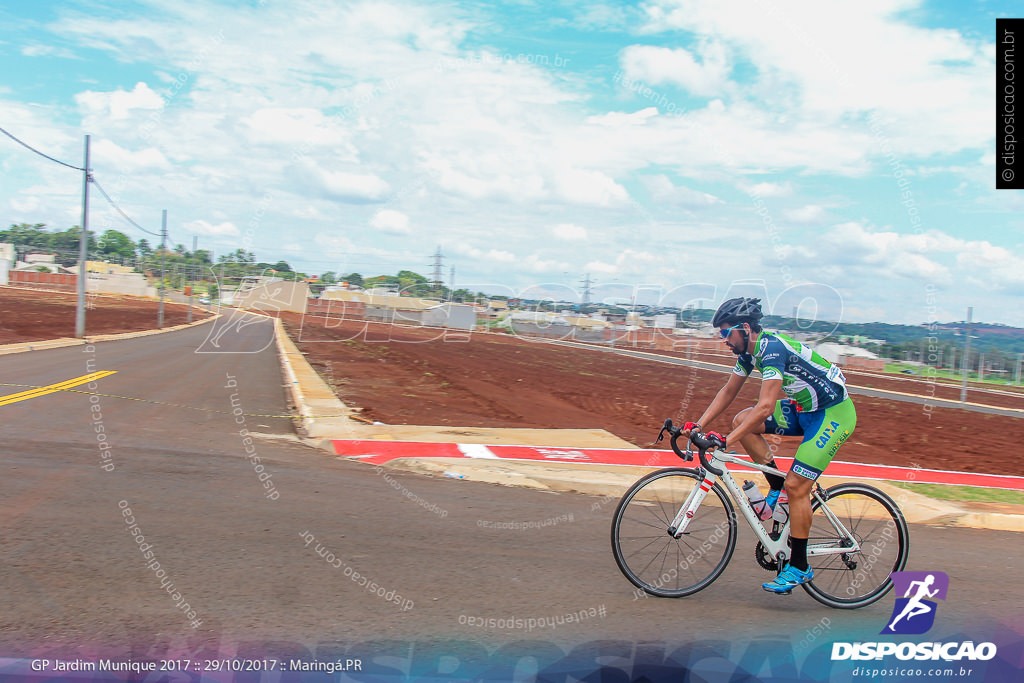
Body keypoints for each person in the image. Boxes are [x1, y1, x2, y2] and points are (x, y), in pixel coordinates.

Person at [684, 297, 857, 594]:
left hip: (833, 414)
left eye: (726, 333)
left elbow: (765, 408)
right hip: (802, 409)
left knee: (798, 485)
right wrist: (697, 426)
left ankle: (800, 566)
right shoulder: (749, 355)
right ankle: (775, 486)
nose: (723, 340)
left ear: (745, 328)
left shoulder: (772, 349)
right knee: (742, 418)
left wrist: (727, 440)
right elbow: (728, 392)